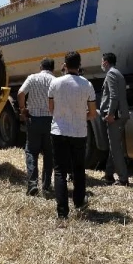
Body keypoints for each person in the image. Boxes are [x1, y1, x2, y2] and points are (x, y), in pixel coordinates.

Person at [47, 50, 97, 222]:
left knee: (60, 170)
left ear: (64, 65)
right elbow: (92, 113)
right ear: (80, 65)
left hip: (59, 130)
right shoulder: (87, 85)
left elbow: (51, 109)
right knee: (78, 168)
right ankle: (79, 202)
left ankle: (62, 212)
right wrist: (82, 117)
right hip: (79, 131)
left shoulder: (55, 83)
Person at [18, 58, 56, 196]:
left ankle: (32, 184)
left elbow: (20, 93)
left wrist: (23, 110)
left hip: (34, 120)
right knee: (49, 154)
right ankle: (46, 185)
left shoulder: (32, 78)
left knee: (31, 152)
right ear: (53, 68)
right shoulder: (56, 81)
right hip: (51, 122)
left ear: (40, 67)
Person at [99, 52, 130, 186]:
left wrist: (111, 114)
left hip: (115, 116)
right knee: (114, 146)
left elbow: (114, 96)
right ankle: (109, 174)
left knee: (116, 147)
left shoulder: (111, 74)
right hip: (121, 114)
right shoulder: (118, 73)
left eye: (102, 61)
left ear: (105, 62)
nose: (101, 64)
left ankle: (123, 179)